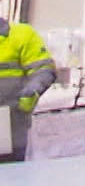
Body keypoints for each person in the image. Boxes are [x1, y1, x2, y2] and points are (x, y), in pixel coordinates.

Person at [0, 16, 55, 163]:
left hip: (9, 125)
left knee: (10, 176)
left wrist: (32, 91)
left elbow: (43, 69)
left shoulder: (21, 34)